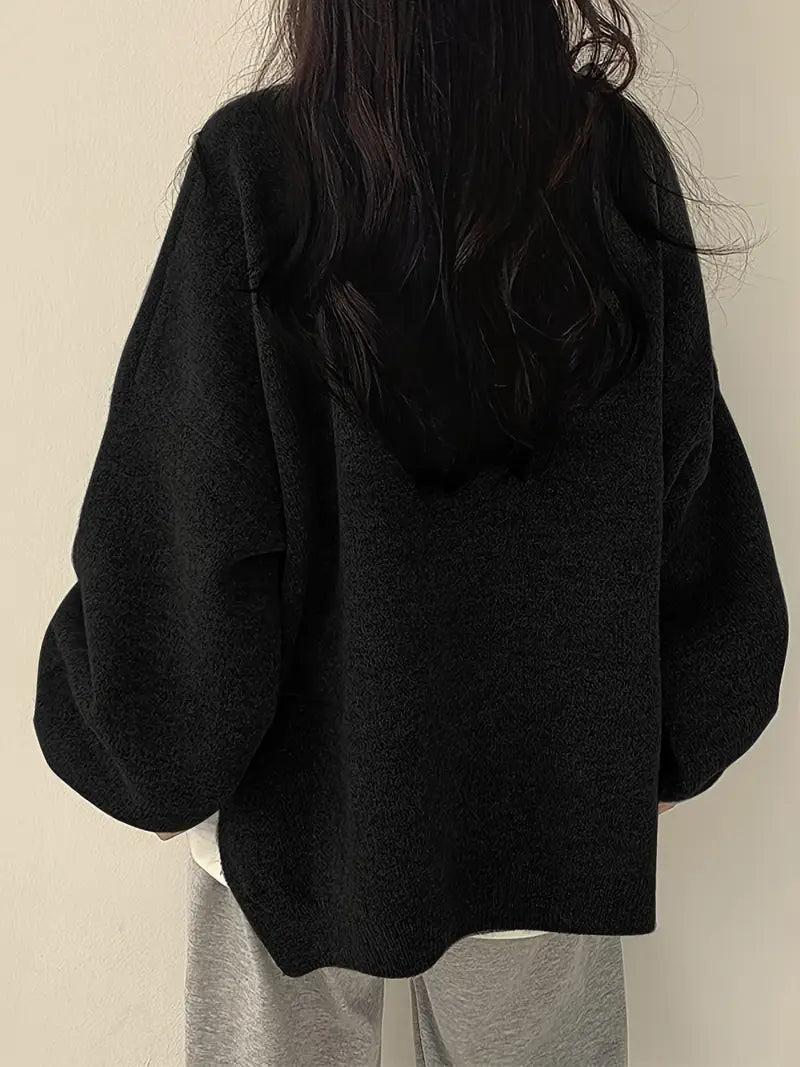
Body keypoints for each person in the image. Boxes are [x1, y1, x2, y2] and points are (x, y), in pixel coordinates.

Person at [33, 2, 788, 1065]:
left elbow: (187, 529)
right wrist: (659, 742)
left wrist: (148, 751)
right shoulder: (610, 163)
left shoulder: (256, 171)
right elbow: (686, 494)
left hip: (293, 814)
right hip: (542, 804)